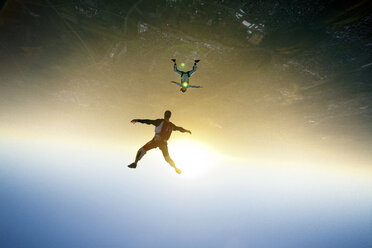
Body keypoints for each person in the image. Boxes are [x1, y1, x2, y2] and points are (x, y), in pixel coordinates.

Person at [128, 110, 191, 174]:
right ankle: (176, 168)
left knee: (141, 150)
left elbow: (148, 121)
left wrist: (138, 120)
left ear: (164, 115)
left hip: (156, 141)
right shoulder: (171, 125)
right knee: (167, 158)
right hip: (163, 143)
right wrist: (187, 131)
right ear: (170, 116)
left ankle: (135, 163)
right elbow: (179, 128)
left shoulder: (160, 121)